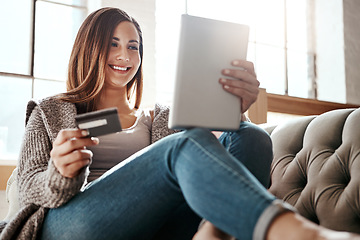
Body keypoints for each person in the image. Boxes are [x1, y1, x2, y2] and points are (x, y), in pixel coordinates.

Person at [0, 7, 359, 240]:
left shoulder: (160, 117)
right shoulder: (50, 111)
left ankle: (213, 234)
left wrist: (234, 108)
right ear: (90, 49)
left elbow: (212, 160)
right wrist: (59, 175)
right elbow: (28, 191)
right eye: (112, 44)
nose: (125, 56)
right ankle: (294, 232)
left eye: (134, 46)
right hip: (72, 226)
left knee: (251, 136)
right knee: (181, 147)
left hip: (158, 227)